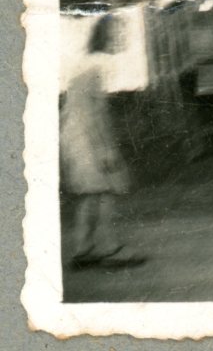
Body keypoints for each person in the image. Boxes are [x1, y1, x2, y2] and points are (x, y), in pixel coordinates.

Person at [60, 15, 148, 270]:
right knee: (107, 190)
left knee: (91, 194)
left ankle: (84, 250)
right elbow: (94, 113)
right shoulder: (99, 65)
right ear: (104, 36)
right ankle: (110, 249)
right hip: (86, 138)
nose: (121, 38)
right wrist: (105, 150)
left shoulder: (85, 62)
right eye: (117, 33)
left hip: (73, 137)